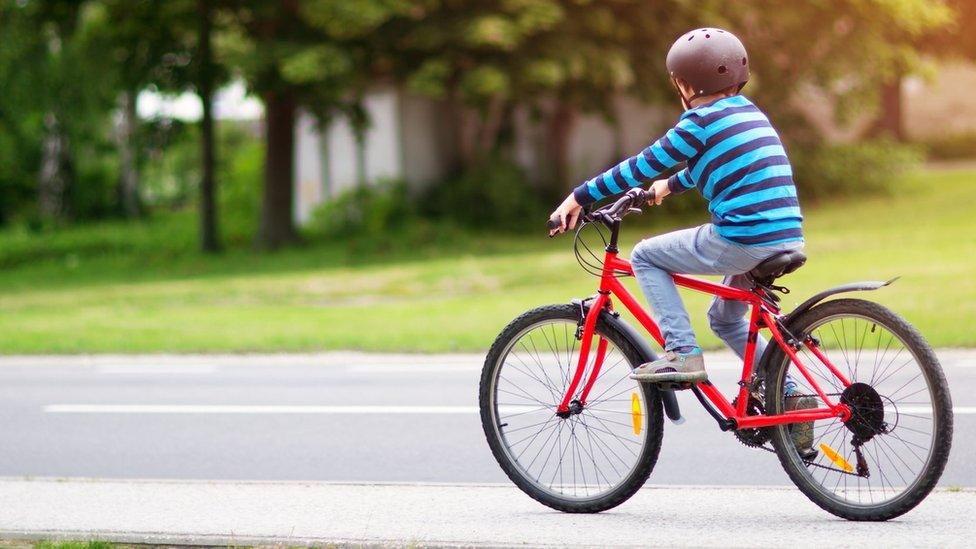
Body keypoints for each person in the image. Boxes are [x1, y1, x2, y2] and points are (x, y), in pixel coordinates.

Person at [548, 28, 804, 386]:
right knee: (725, 319)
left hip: (742, 239)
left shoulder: (699, 122)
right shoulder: (747, 114)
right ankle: (786, 392)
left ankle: (682, 354)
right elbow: (714, 164)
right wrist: (667, 187)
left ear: (685, 85)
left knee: (645, 256)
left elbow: (640, 167)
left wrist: (579, 197)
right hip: (786, 235)